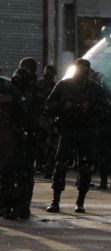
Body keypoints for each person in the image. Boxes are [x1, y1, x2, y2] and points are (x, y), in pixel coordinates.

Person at [45, 58, 109, 213]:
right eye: (80, 70)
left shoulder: (95, 88)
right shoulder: (64, 85)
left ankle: (80, 202)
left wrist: (91, 107)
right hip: (68, 131)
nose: (82, 73)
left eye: (85, 71)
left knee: (86, 167)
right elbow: (48, 105)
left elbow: (105, 109)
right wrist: (63, 105)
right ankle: (55, 201)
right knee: (61, 165)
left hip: (87, 132)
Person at [10, 57, 45, 219]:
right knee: (21, 173)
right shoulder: (21, 86)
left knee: (19, 173)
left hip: (22, 135)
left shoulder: (31, 88)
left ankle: (19, 207)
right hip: (23, 135)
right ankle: (18, 206)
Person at [0, 69, 26, 220]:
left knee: (7, 173)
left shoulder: (9, 88)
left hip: (7, 137)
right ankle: (7, 206)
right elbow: (21, 113)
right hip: (8, 137)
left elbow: (20, 113)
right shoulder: (9, 88)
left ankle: (7, 205)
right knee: (6, 173)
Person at [36, 65, 58, 178]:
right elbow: (37, 97)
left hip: (50, 119)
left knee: (51, 145)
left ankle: (48, 166)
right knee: (41, 144)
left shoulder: (55, 85)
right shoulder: (40, 84)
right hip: (42, 118)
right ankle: (40, 165)